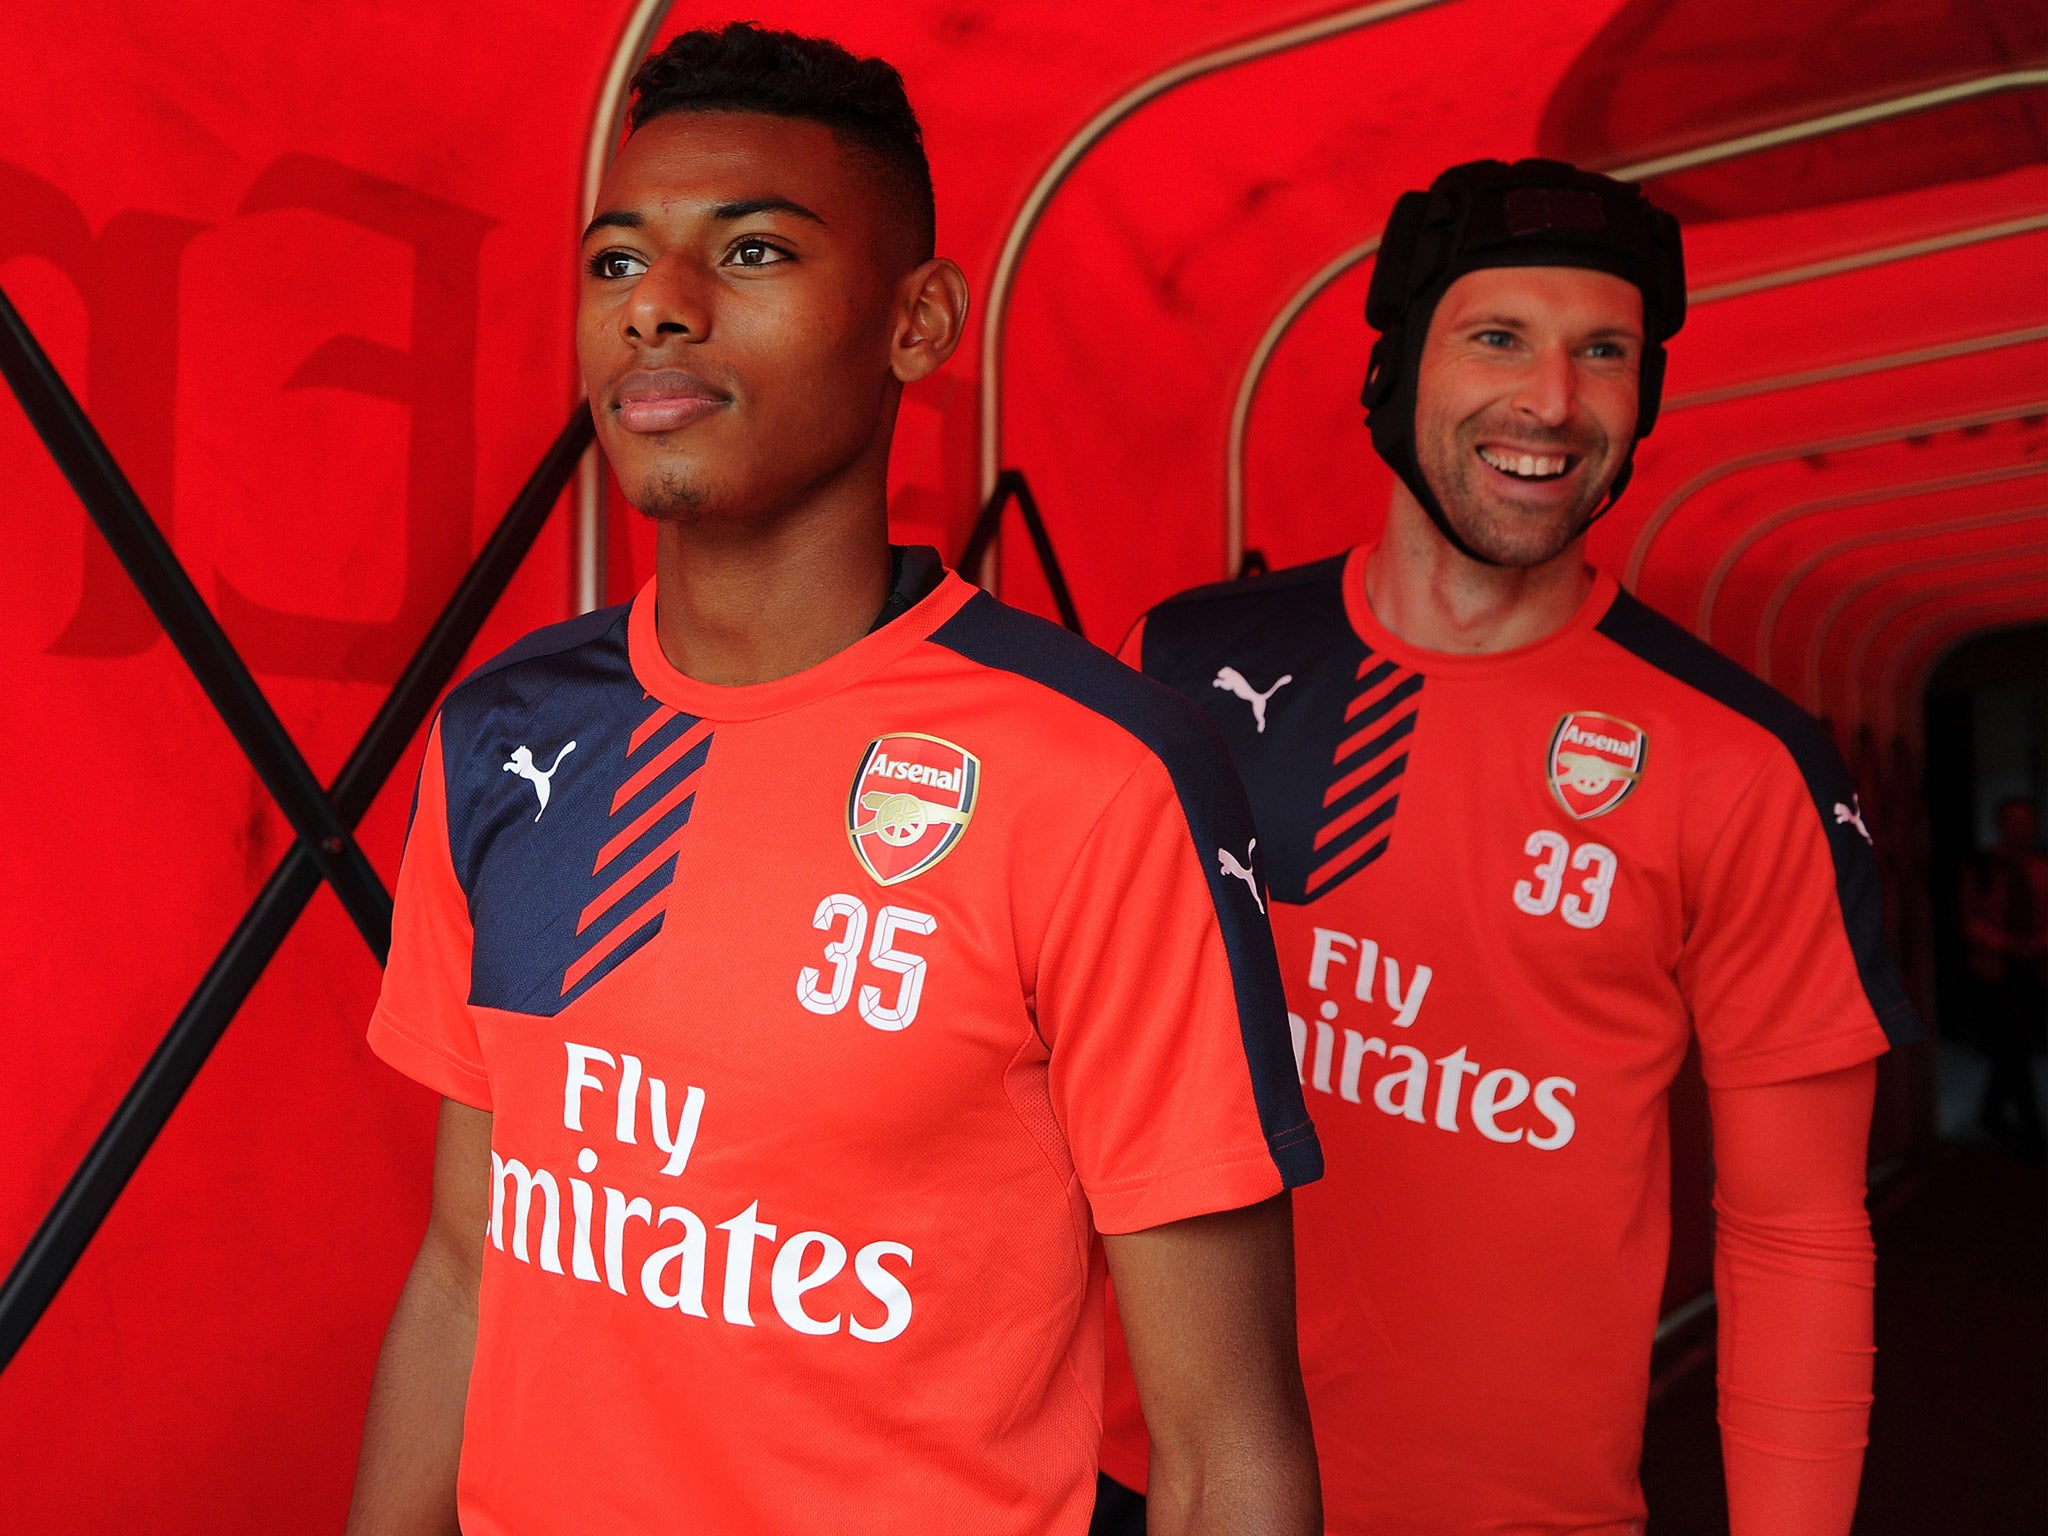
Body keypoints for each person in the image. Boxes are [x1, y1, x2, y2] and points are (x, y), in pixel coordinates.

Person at [346, 24, 1322, 1536]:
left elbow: (1223, 1453)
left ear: (919, 321)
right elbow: (472, 1267)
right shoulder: (505, 736)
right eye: (615, 265)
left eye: (749, 252)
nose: (657, 310)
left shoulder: (1101, 772)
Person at [1096, 159, 1920, 1535]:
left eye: (1604, 352)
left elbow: (1796, 1237)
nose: (1552, 400)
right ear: (1397, 367)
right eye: (1498, 338)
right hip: (1149, 1491)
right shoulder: (1179, 665)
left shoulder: (1748, 761)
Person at [1962, 796, 2047, 1157]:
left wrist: (2036, 944)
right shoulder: (1981, 867)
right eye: (2012, 821)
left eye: (2025, 822)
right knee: (2012, 1044)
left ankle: (1993, 1113)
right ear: (1999, 825)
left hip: (2036, 966)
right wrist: (2007, 944)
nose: (2020, 829)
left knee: (2016, 1045)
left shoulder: (2041, 866)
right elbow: (1969, 917)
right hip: (1995, 967)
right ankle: (2029, 1129)